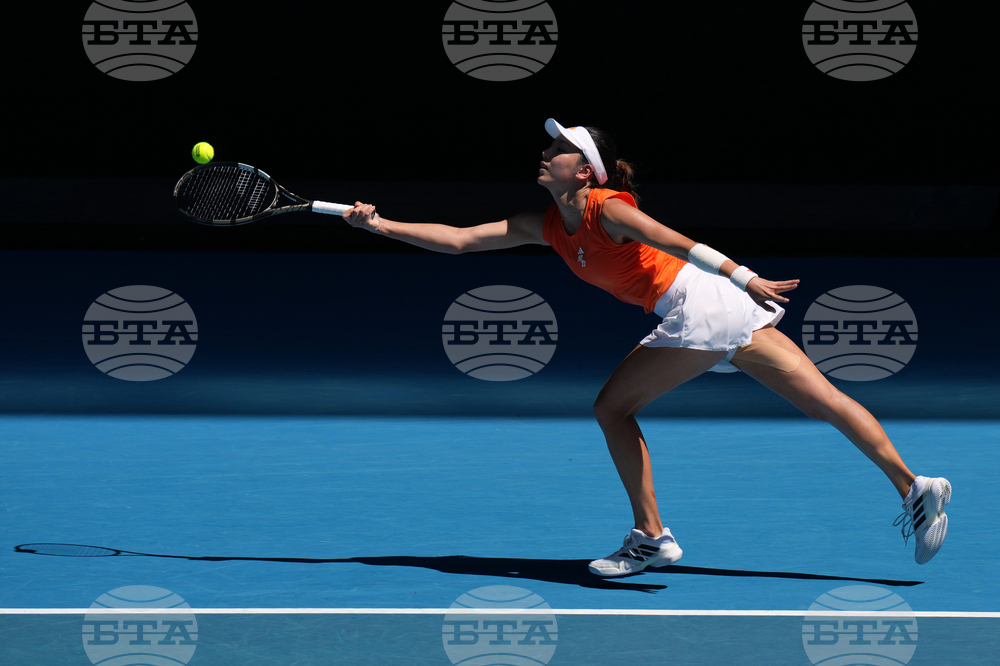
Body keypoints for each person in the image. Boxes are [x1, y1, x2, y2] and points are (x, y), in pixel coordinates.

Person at [341, 118, 951, 575]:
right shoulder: (545, 224)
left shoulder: (609, 210)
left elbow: (677, 241)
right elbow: (459, 240)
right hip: (716, 306)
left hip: (702, 301)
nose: (545, 154)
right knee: (823, 400)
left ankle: (651, 535)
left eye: (559, 151)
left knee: (612, 408)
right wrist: (380, 225)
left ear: (585, 171)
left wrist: (745, 276)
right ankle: (914, 486)